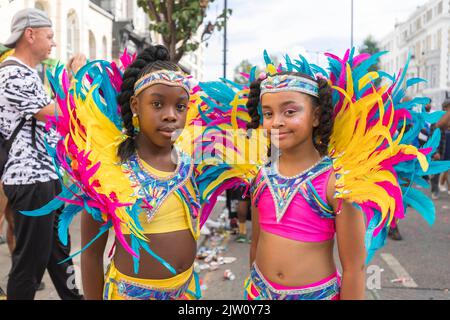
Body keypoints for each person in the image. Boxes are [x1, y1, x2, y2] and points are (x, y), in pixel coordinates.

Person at [205, 49, 446, 300]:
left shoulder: (338, 182)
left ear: (317, 116)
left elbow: (354, 267)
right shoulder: (260, 176)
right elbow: (257, 244)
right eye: (268, 113)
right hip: (258, 292)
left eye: (289, 112)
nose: (276, 122)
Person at [0, 8, 83, 300]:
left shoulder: (29, 73)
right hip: (30, 179)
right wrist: (81, 84)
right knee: (29, 264)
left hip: (44, 177)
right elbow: (58, 114)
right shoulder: (12, 74)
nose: (54, 43)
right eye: (49, 36)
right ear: (29, 34)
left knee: (59, 255)